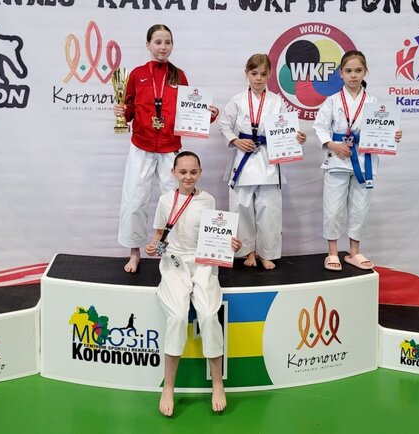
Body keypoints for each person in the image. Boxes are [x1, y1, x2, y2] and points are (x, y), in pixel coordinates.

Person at [113, 24, 219, 273]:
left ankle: (171, 252)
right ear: (148, 45)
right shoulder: (137, 74)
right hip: (141, 146)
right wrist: (121, 112)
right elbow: (129, 110)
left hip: (170, 149)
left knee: (174, 203)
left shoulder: (179, 76)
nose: (163, 47)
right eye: (158, 42)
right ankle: (134, 252)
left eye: (167, 42)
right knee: (134, 201)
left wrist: (209, 115)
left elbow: (189, 111)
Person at [144, 151, 241, 417]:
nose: (188, 177)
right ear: (174, 173)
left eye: (193, 172)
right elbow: (159, 235)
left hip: (202, 262)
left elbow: (217, 235)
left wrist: (232, 243)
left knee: (209, 315)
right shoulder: (165, 200)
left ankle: (218, 383)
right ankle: (169, 387)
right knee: (177, 316)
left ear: (200, 172)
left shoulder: (208, 200)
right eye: (183, 172)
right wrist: (152, 246)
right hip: (174, 263)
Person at [313, 50, 402, 271]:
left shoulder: (373, 102)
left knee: (360, 208)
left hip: (363, 160)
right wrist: (332, 145)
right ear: (341, 73)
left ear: (365, 72)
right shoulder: (332, 101)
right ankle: (332, 252)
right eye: (348, 71)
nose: (353, 75)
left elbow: (380, 130)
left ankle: (354, 252)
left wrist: (392, 135)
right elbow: (320, 127)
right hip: (338, 159)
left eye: (358, 70)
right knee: (333, 208)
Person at [218, 53, 306, 270]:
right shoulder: (237, 100)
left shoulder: (277, 101)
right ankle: (248, 251)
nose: (258, 78)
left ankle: (267, 253)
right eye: (254, 73)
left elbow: (286, 128)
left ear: (270, 75)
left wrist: (296, 137)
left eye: (263, 74)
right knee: (242, 207)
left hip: (269, 159)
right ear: (246, 74)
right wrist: (236, 141)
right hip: (243, 158)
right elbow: (224, 125)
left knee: (269, 209)